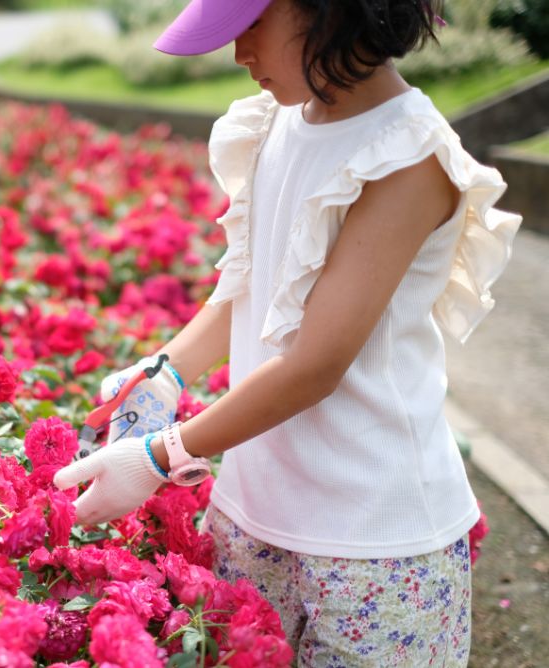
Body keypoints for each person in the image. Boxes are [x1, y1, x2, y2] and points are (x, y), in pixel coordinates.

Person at [53, 0, 523, 665]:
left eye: (248, 26)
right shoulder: (277, 120)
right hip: (254, 514)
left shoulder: (405, 155)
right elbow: (249, 290)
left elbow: (314, 363)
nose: (238, 53)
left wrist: (161, 454)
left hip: (375, 547)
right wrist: (168, 369)